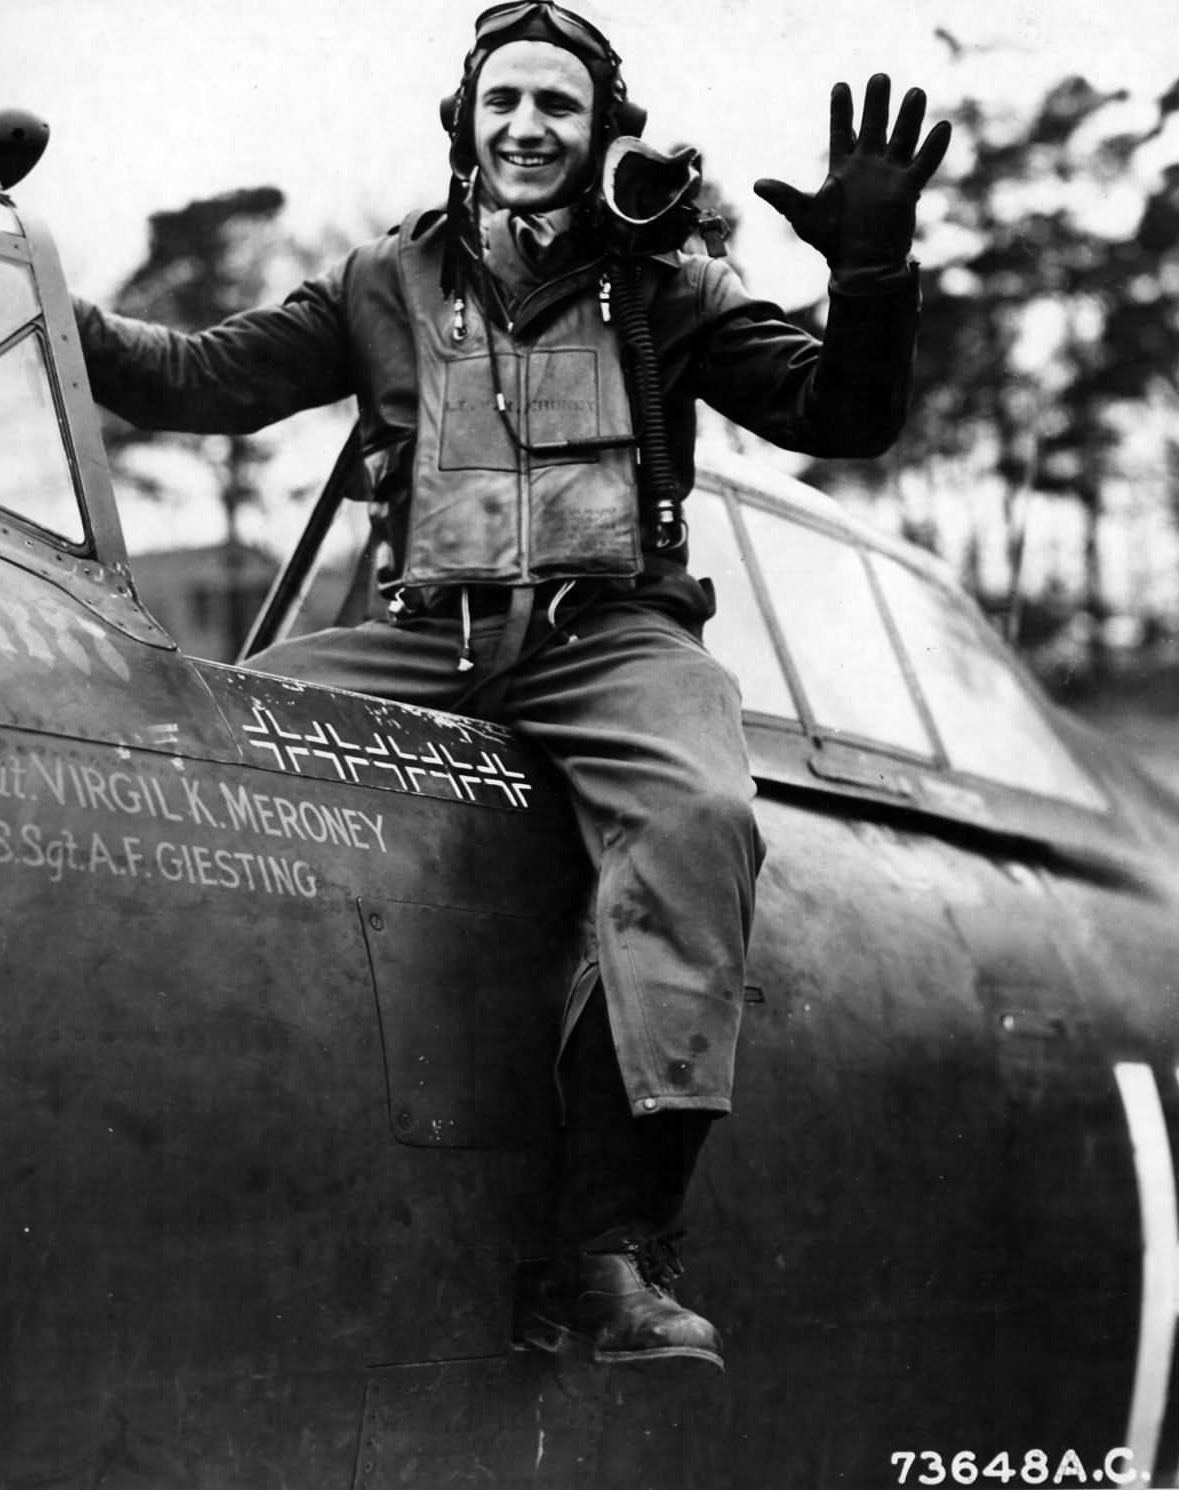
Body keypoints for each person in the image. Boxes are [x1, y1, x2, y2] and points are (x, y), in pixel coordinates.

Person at [74, 2, 950, 1371]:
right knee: (198, 731)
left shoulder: (670, 284)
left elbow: (842, 415)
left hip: (615, 640)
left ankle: (602, 1253)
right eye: (503, 103)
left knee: (701, 821)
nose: (528, 128)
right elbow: (193, 379)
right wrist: (13, 273)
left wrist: (876, 271)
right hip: (431, 635)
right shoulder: (382, 284)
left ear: (603, 130)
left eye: (557, 105)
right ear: (466, 127)